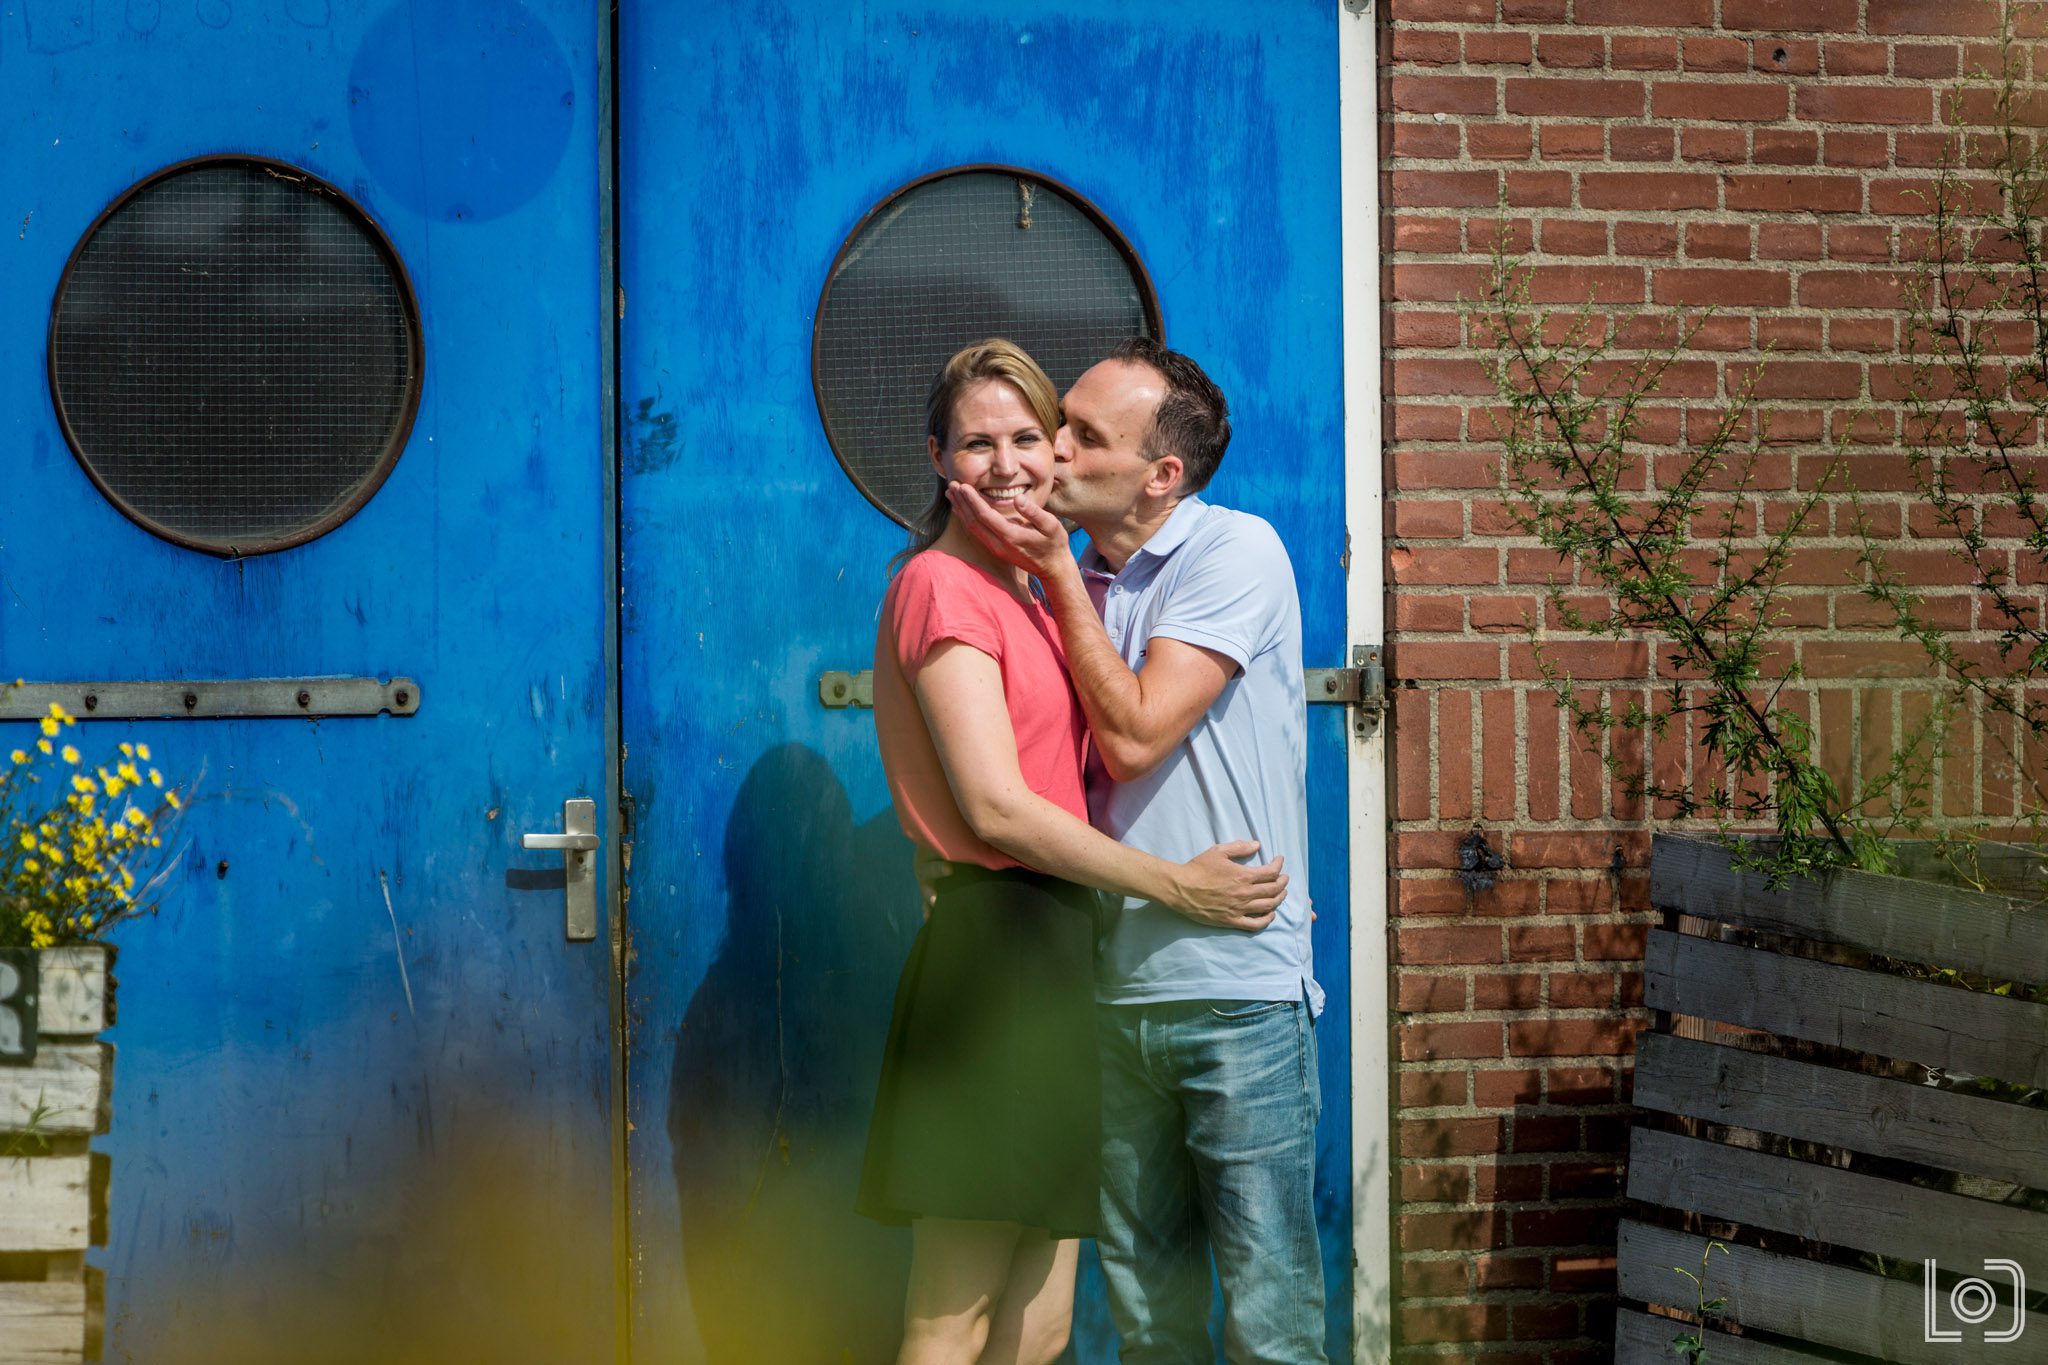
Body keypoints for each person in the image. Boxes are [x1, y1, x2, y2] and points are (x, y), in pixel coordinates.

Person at [856, 338, 1290, 1365]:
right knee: (950, 1314)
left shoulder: (1041, 595)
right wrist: (1173, 885)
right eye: (976, 444)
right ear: (937, 460)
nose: (1008, 463)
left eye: (1026, 436)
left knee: (1042, 1321)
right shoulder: (941, 585)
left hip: (1057, 954)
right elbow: (999, 809)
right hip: (999, 958)